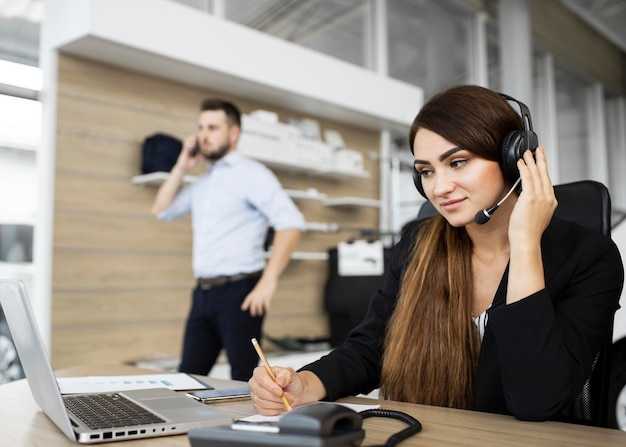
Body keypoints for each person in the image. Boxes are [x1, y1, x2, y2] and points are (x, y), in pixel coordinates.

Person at [248, 85, 624, 422]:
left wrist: (525, 243)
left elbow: (536, 401)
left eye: (458, 162)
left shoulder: (589, 257)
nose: (440, 188)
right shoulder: (418, 242)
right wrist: (306, 383)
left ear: (515, 159)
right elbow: (371, 347)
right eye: (425, 171)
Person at [151, 98, 305, 381]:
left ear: (234, 133)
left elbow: (291, 223)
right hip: (203, 294)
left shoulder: (252, 174)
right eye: (200, 128)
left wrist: (267, 282)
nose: (203, 135)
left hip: (240, 294)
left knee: (244, 380)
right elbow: (160, 211)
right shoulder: (202, 184)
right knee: (186, 378)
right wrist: (181, 167)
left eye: (212, 127)